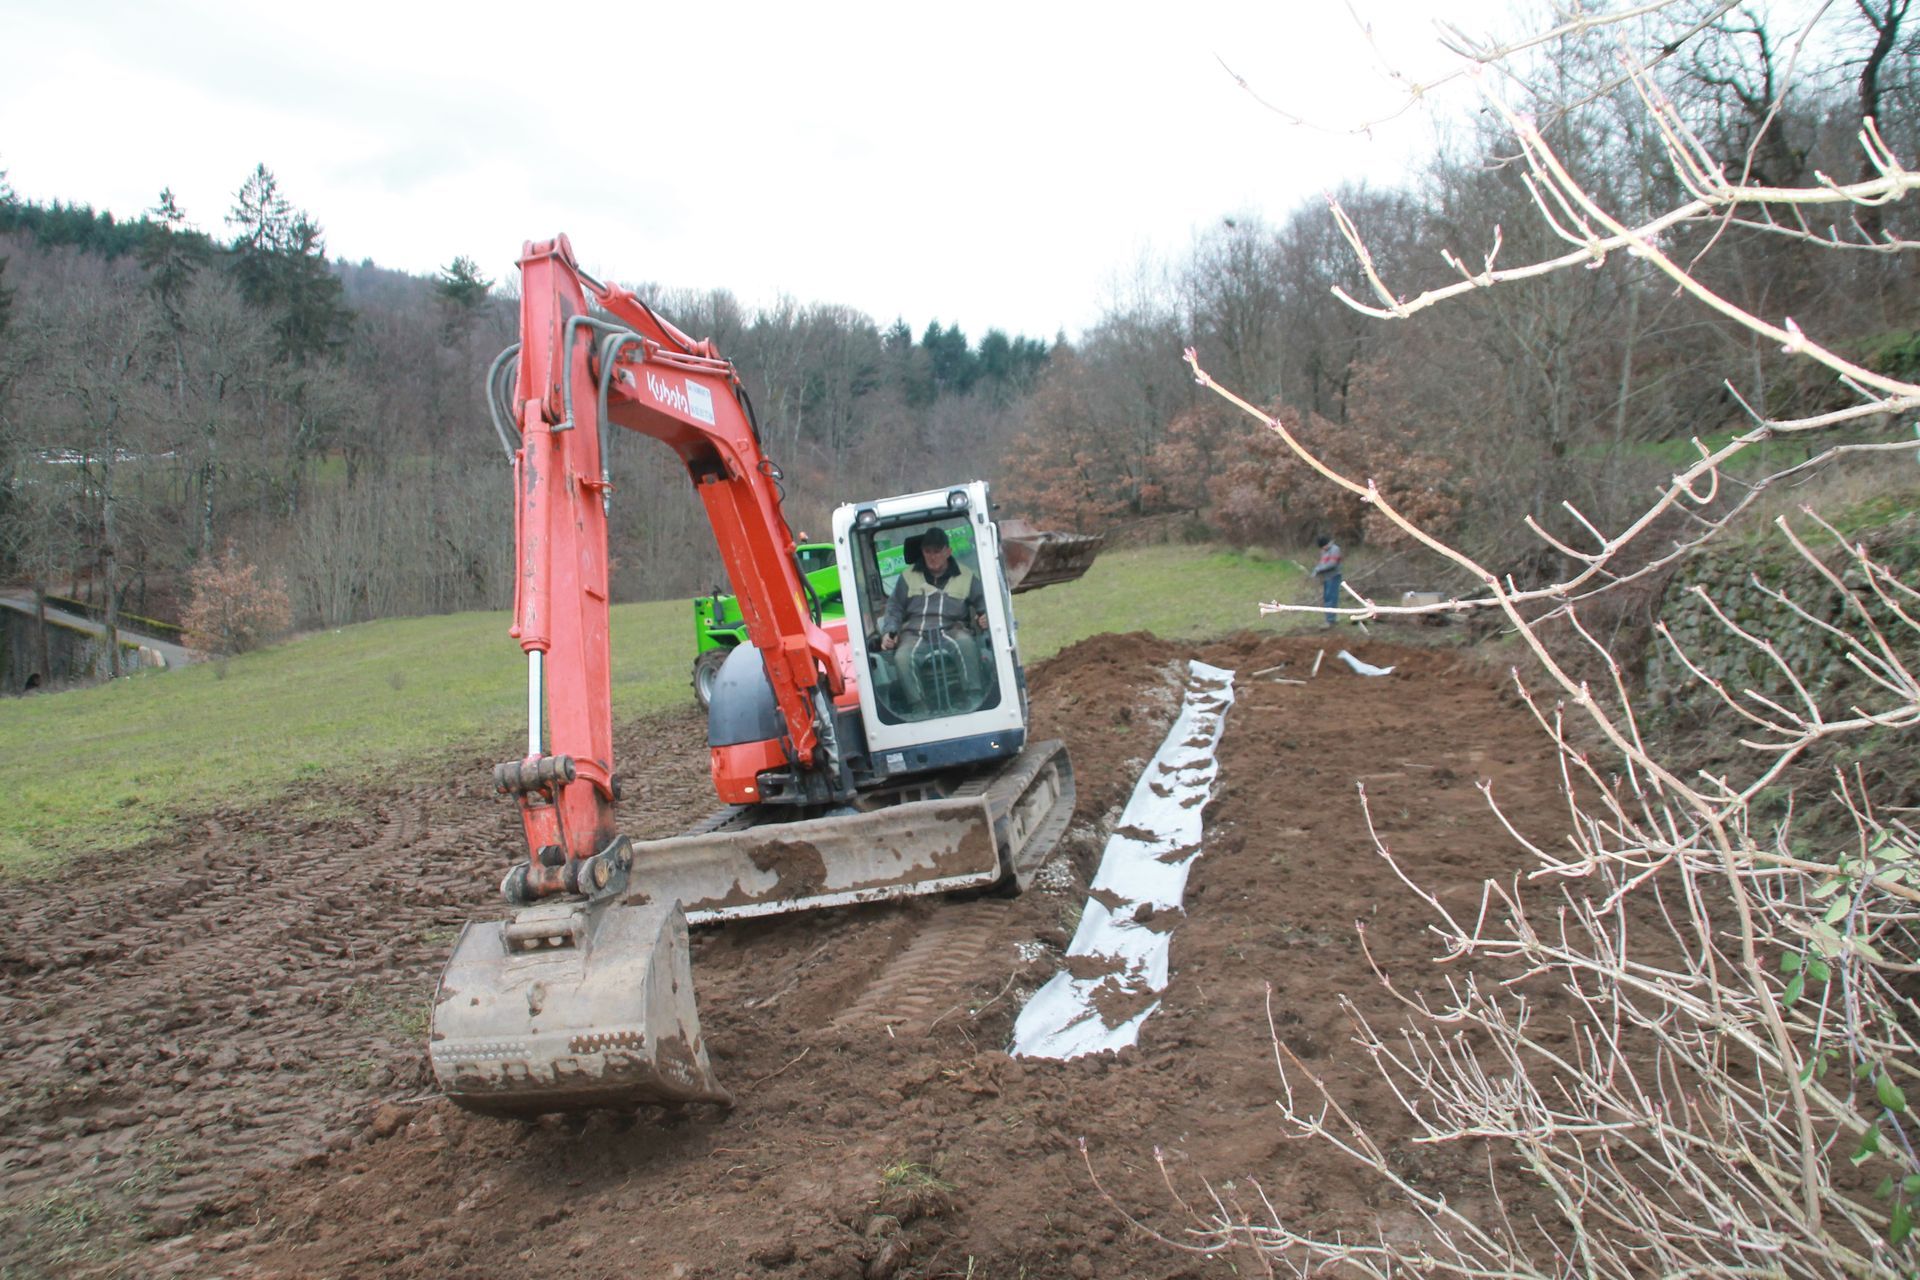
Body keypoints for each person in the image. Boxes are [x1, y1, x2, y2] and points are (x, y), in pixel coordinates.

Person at [880, 526, 987, 708]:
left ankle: (974, 699)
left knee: (967, 645)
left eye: (937, 551)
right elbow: (894, 607)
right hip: (915, 633)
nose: (932, 556)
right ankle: (919, 706)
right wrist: (890, 630)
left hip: (951, 628)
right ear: (922, 552)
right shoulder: (908, 577)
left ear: (948, 551)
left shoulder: (966, 576)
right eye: (928, 551)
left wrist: (984, 615)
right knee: (902, 658)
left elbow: (983, 601)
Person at [1313, 534, 1343, 627]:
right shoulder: (1324, 551)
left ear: (1327, 544)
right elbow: (1322, 562)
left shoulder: (1335, 549)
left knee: (1331, 598)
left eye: (1324, 546)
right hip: (1326, 577)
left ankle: (1330, 620)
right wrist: (1316, 569)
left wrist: (1320, 569)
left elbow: (1332, 563)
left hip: (1334, 577)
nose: (1323, 549)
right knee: (1326, 598)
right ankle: (1331, 618)